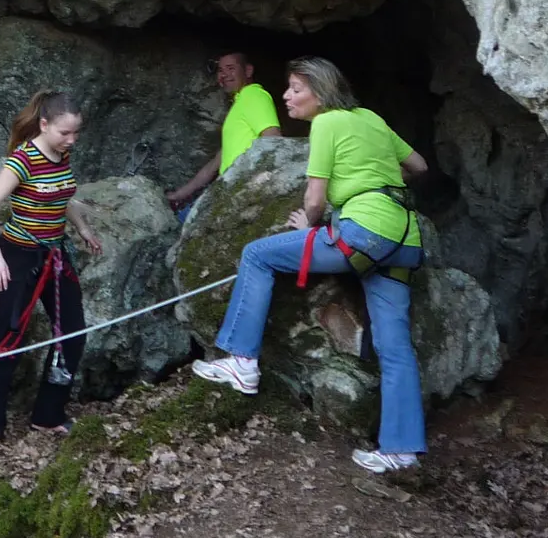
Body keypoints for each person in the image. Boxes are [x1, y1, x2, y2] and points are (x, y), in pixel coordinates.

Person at [188, 56, 430, 474]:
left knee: (257, 255)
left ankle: (242, 361)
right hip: (403, 240)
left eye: (296, 89)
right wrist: (378, 186)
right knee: (394, 348)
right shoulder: (370, 118)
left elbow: (314, 199)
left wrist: (312, 223)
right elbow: (419, 166)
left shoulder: (327, 124)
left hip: (362, 234)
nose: (287, 96)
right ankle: (401, 449)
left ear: (321, 93)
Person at [0, 91, 105, 445]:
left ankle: (48, 415)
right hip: (18, 254)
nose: (71, 140)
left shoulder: (62, 154)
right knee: (9, 340)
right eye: (64, 132)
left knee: (73, 334)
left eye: (76, 133)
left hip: (54, 255)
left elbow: (61, 194)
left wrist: (83, 228)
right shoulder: (22, 160)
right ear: (44, 125)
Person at [165, 51, 282, 221]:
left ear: (248, 71)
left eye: (230, 68)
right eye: (220, 70)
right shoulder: (239, 104)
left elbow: (273, 138)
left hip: (241, 189)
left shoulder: (255, 95)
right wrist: (179, 194)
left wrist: (255, 186)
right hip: (227, 188)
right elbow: (216, 163)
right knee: (183, 219)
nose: (224, 74)